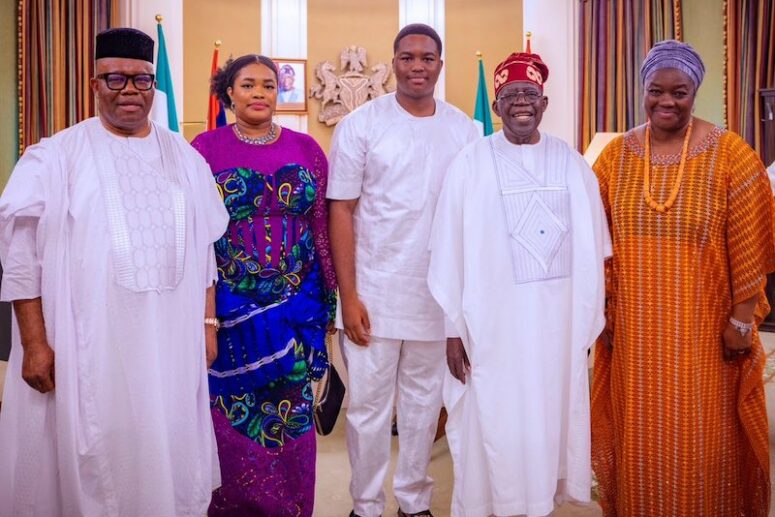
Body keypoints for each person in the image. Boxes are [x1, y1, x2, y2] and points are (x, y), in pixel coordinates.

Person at [0, 28, 227, 516]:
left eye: (142, 80)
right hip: (84, 344)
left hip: (169, 343)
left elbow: (204, 245)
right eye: (116, 78)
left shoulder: (186, 159)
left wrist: (207, 322)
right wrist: (36, 343)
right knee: (90, 453)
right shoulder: (55, 157)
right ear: (94, 84)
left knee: (164, 441)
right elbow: (21, 257)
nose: (130, 90)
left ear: (154, 86)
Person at [591, 40, 775, 517]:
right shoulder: (614, 159)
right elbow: (596, 245)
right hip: (634, 336)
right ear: (642, 90)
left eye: (680, 92)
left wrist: (740, 321)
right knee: (641, 439)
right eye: (656, 91)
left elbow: (752, 245)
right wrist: (602, 312)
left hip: (705, 337)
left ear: (696, 92)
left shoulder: (731, 155)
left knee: (700, 439)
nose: (666, 102)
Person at [428, 51, 610, 517]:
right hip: (491, 328)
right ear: (496, 106)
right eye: (511, 96)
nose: (522, 103)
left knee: (548, 417)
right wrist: (452, 329)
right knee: (494, 417)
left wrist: (590, 317)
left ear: (545, 103)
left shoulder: (572, 164)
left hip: (556, 327)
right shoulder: (469, 163)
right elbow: (448, 251)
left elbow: (596, 250)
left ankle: (538, 503)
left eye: (530, 95)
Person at [327, 23, 479, 517]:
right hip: (372, 294)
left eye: (427, 58)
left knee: (420, 408)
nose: (418, 66)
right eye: (408, 57)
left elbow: (471, 221)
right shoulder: (362, 124)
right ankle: (365, 505)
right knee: (368, 410)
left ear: (440, 63)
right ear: (393, 63)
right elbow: (342, 211)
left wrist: (461, 307)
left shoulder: (466, 130)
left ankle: (414, 502)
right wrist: (349, 297)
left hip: (435, 297)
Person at [191, 54, 336, 516]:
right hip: (232, 309)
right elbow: (195, 233)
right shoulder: (204, 149)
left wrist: (326, 301)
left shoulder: (308, 148)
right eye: (248, 85)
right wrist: (207, 311)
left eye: (269, 85)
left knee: (292, 419)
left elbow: (321, 228)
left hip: (297, 308)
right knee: (231, 420)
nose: (259, 93)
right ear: (228, 92)